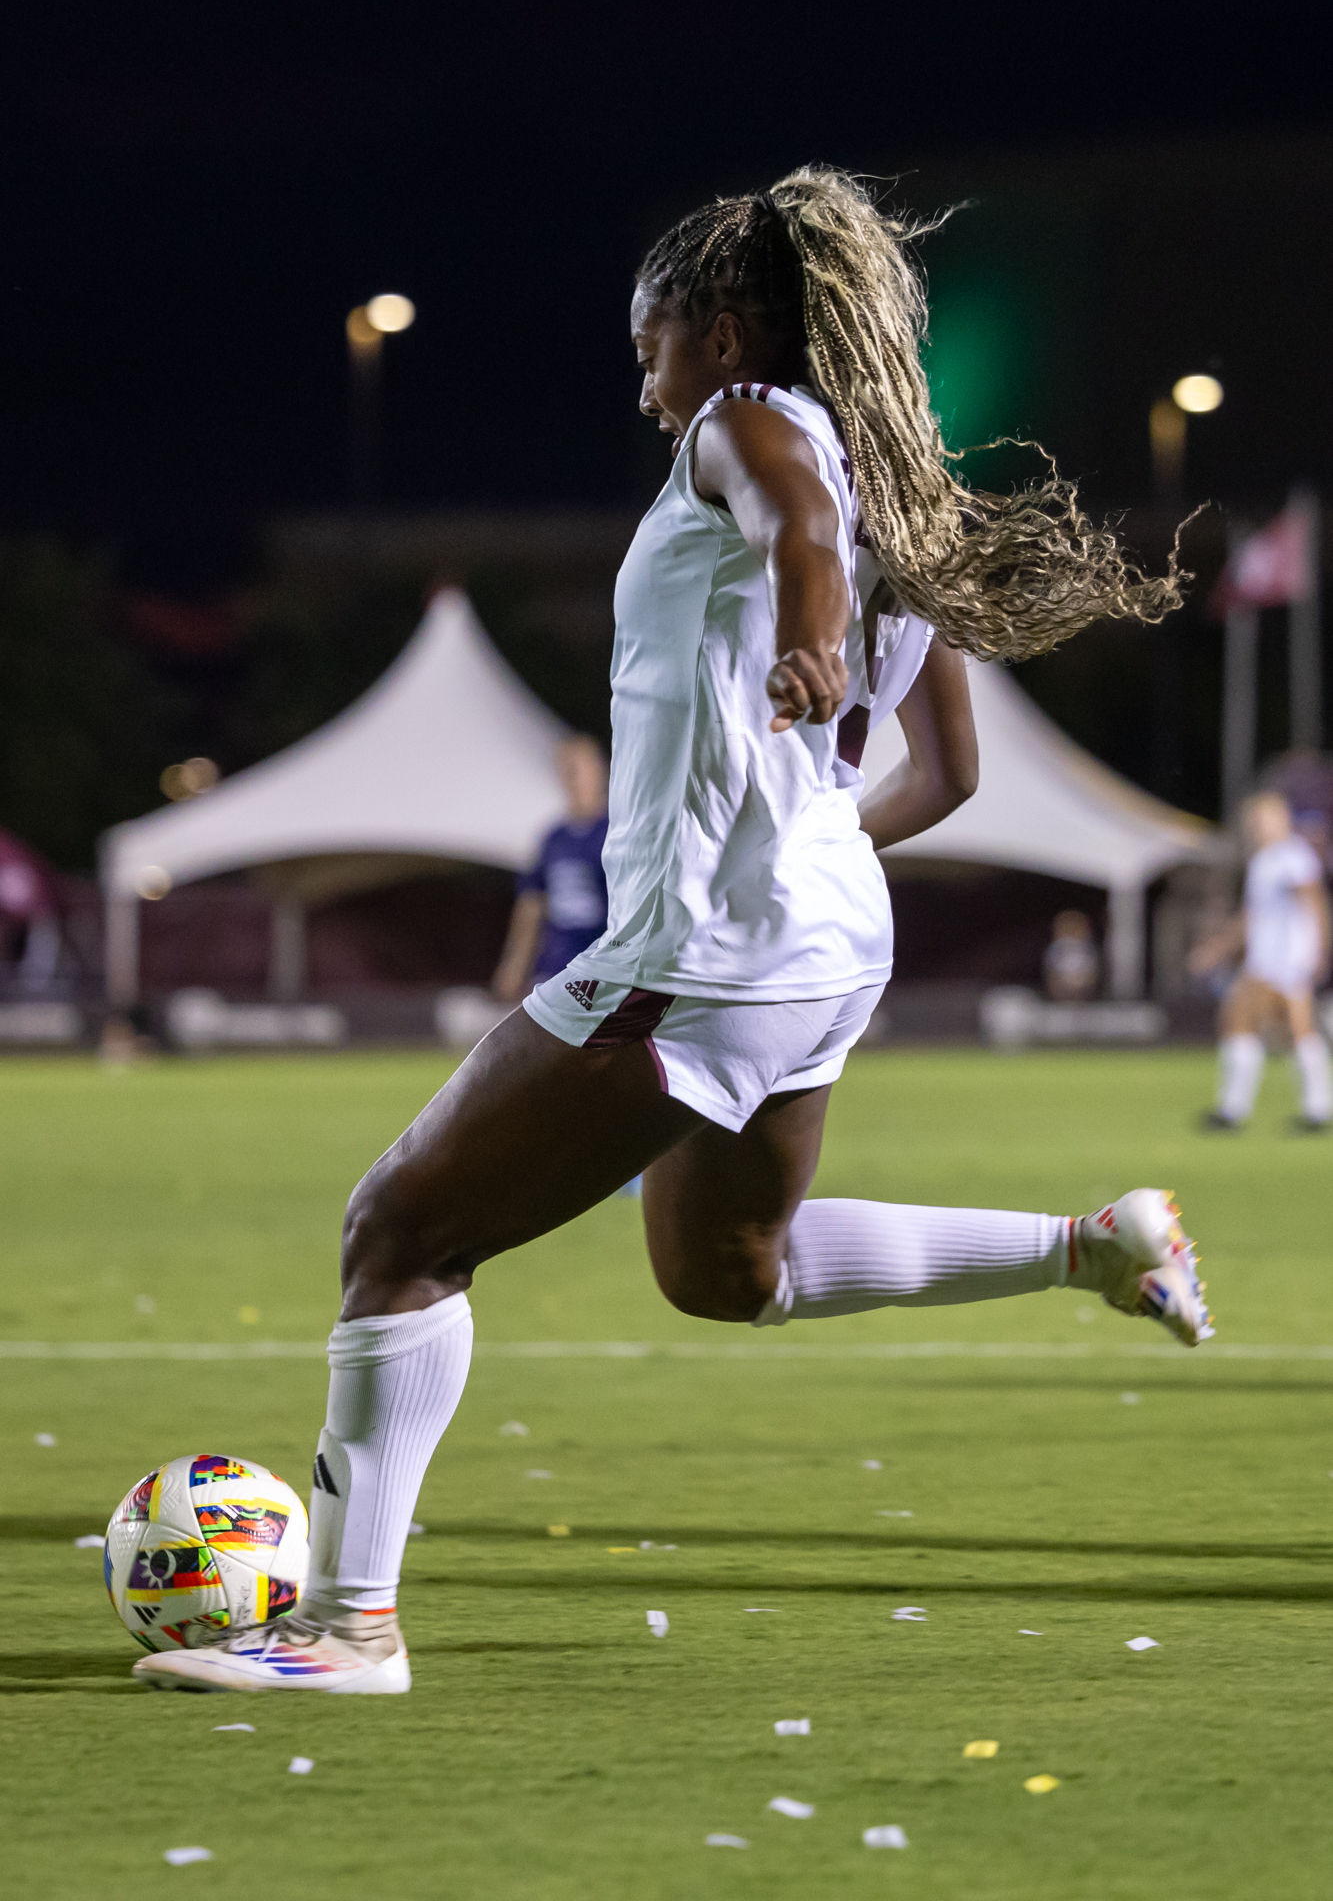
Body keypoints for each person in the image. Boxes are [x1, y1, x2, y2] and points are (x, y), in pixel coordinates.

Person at [135, 168, 1210, 1697]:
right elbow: (951, 775)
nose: (646, 395)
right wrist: (820, 818)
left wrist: (808, 639)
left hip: (699, 949)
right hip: (826, 939)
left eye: (648, 353)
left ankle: (345, 1628)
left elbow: (789, 532)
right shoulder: (905, 492)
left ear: (716, 333)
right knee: (726, 1271)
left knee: (400, 1233)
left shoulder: (748, 422)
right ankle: (1088, 1248)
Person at [1190, 790, 1332, 1130]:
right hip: (1264, 959)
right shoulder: (1263, 860)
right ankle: (1244, 1109)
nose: (1258, 826)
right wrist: (1218, 949)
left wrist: (1320, 951)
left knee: (1285, 1027)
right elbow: (1251, 918)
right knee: (1262, 1025)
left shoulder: (1292, 856)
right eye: (1254, 820)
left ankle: (1307, 1109)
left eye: (1265, 818)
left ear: (1282, 819)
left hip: (1286, 959)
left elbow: (1314, 903)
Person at [491, 736, 609, 1003]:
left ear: (599, 772)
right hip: (557, 963)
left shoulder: (618, 833)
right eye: (566, 770)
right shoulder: (553, 839)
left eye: (578, 769)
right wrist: (513, 966)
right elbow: (531, 904)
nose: (573, 778)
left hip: (603, 962)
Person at [1042, 910, 1099, 1002]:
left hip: (1084, 992)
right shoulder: (1056, 949)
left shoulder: (1087, 949)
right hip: (1061, 992)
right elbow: (1051, 974)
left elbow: (1092, 973)